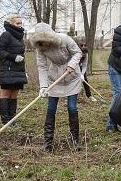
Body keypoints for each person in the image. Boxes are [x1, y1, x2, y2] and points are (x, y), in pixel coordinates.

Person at [30, 22, 83, 151]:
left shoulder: (64, 39)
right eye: (41, 42)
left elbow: (78, 53)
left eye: (46, 41)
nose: (44, 44)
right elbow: (42, 67)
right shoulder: (40, 48)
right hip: (54, 78)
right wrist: (43, 87)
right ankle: (48, 142)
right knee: (51, 108)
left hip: (72, 76)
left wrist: (71, 65)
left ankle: (75, 140)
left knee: (72, 107)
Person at [0, 14, 28, 125]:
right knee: (6, 94)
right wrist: (13, 57)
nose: (20, 25)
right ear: (11, 23)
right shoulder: (6, 35)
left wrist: (25, 70)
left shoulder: (20, 36)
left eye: (20, 23)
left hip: (18, 70)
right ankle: (5, 121)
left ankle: (12, 120)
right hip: (7, 69)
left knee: (14, 95)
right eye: (17, 23)